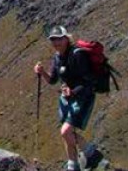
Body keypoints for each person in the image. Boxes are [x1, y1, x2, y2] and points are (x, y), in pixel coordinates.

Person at [34, 26, 104, 171]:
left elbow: (89, 81)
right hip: (66, 99)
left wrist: (72, 91)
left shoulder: (77, 55)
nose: (56, 42)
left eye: (59, 39)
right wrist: (42, 72)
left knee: (65, 131)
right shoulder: (57, 57)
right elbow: (53, 80)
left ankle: (91, 153)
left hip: (82, 98)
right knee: (67, 133)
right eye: (53, 40)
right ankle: (73, 165)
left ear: (66, 38)